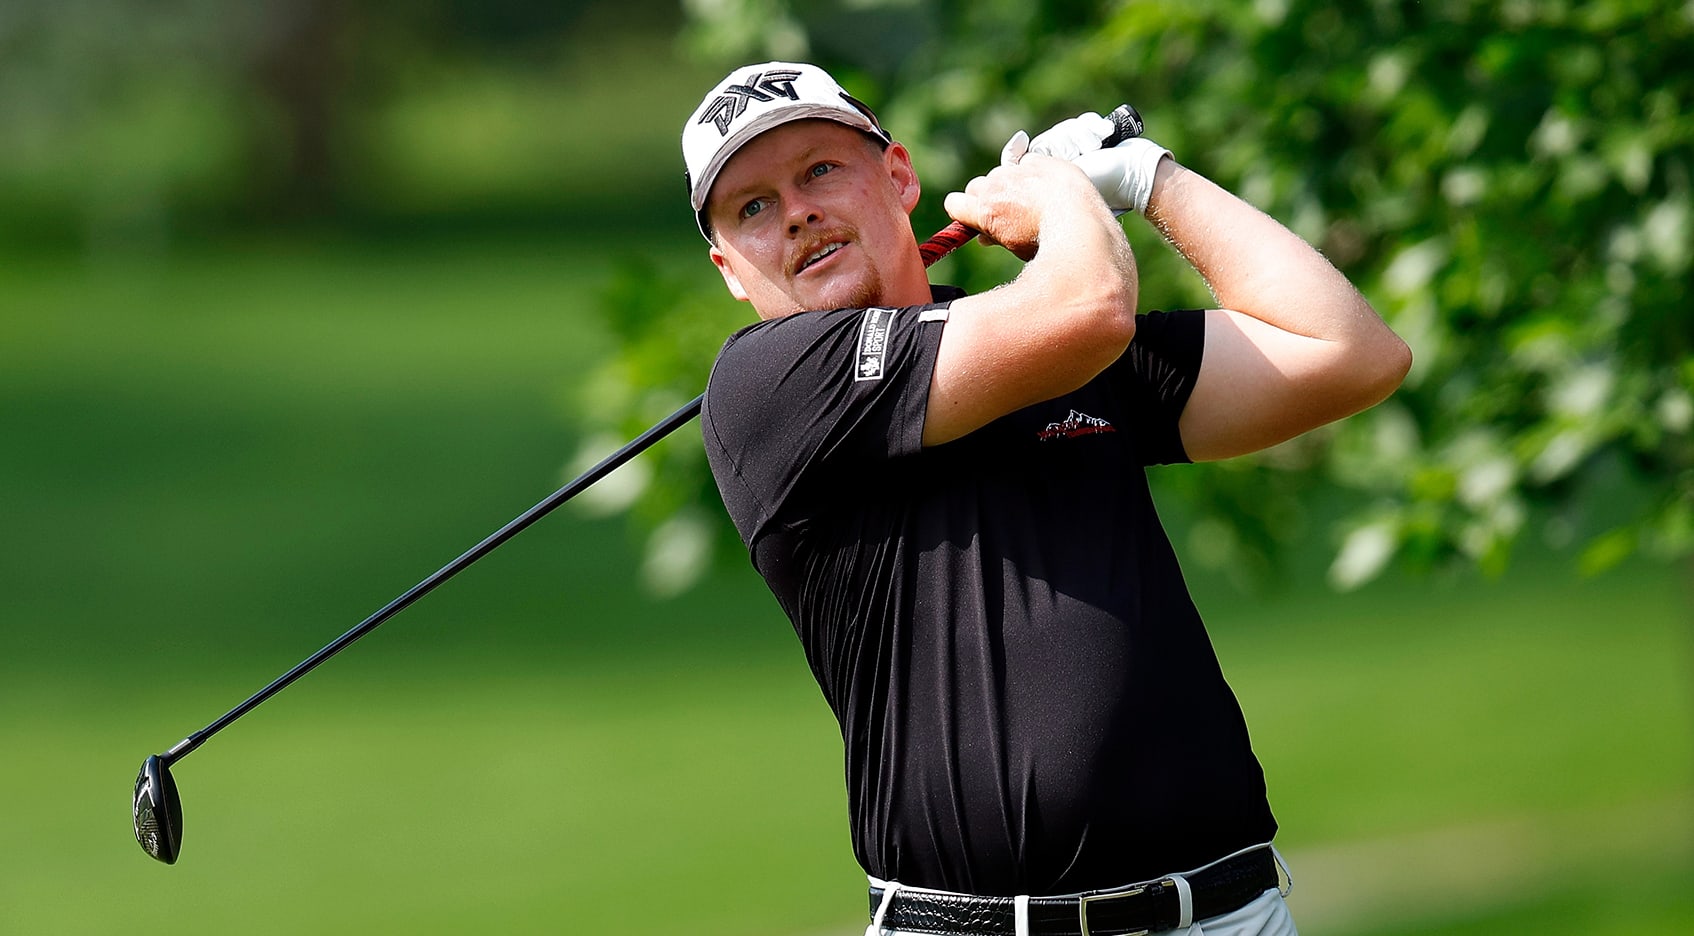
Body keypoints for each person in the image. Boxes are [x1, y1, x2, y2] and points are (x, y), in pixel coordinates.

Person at [681, 62, 1411, 936]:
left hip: (1227, 912)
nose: (795, 211)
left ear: (900, 178)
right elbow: (1092, 308)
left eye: (820, 170)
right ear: (729, 266)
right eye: (752, 207)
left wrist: (1151, 177)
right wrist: (1067, 197)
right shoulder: (767, 385)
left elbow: (1350, 352)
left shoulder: (1054, 350)